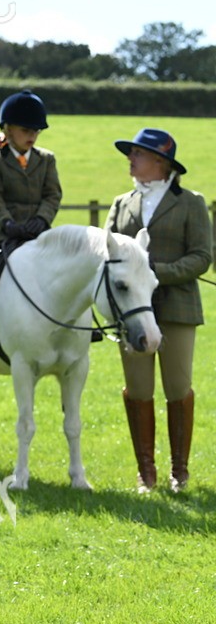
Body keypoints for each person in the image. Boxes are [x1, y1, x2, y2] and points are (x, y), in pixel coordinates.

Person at [107, 128, 212, 493]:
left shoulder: (191, 203)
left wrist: (156, 273)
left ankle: (179, 472)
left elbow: (202, 256)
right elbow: (106, 253)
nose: (130, 159)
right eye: (131, 153)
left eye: (138, 154)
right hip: (131, 313)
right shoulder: (122, 203)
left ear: (161, 162)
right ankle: (146, 473)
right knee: (138, 388)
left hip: (177, 306)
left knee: (177, 387)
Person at [0, 89, 62, 290]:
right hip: (1, 231)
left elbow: (53, 195)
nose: (32, 135)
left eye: (36, 131)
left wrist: (42, 219)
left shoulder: (47, 159)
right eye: (25, 130)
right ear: (8, 129)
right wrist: (7, 223)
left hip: (37, 230)